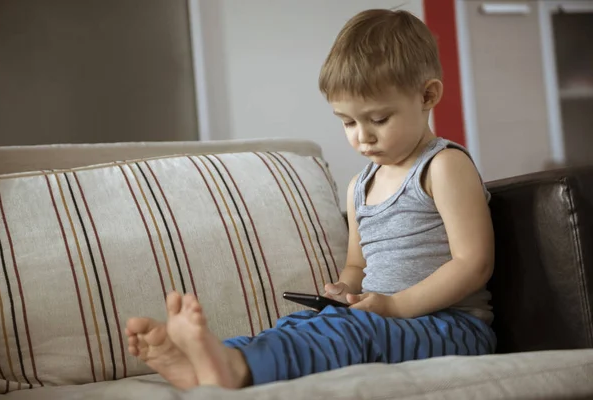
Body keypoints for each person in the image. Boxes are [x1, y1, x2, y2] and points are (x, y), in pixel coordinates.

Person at [125, 9, 496, 390]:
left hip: (450, 327)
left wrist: (395, 305)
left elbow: (474, 263)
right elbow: (356, 264)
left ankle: (235, 370)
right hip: (384, 319)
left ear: (427, 95)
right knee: (302, 325)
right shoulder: (359, 187)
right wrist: (344, 290)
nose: (362, 137)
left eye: (379, 119)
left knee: (347, 332)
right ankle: (212, 359)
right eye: (349, 122)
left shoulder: (443, 166)